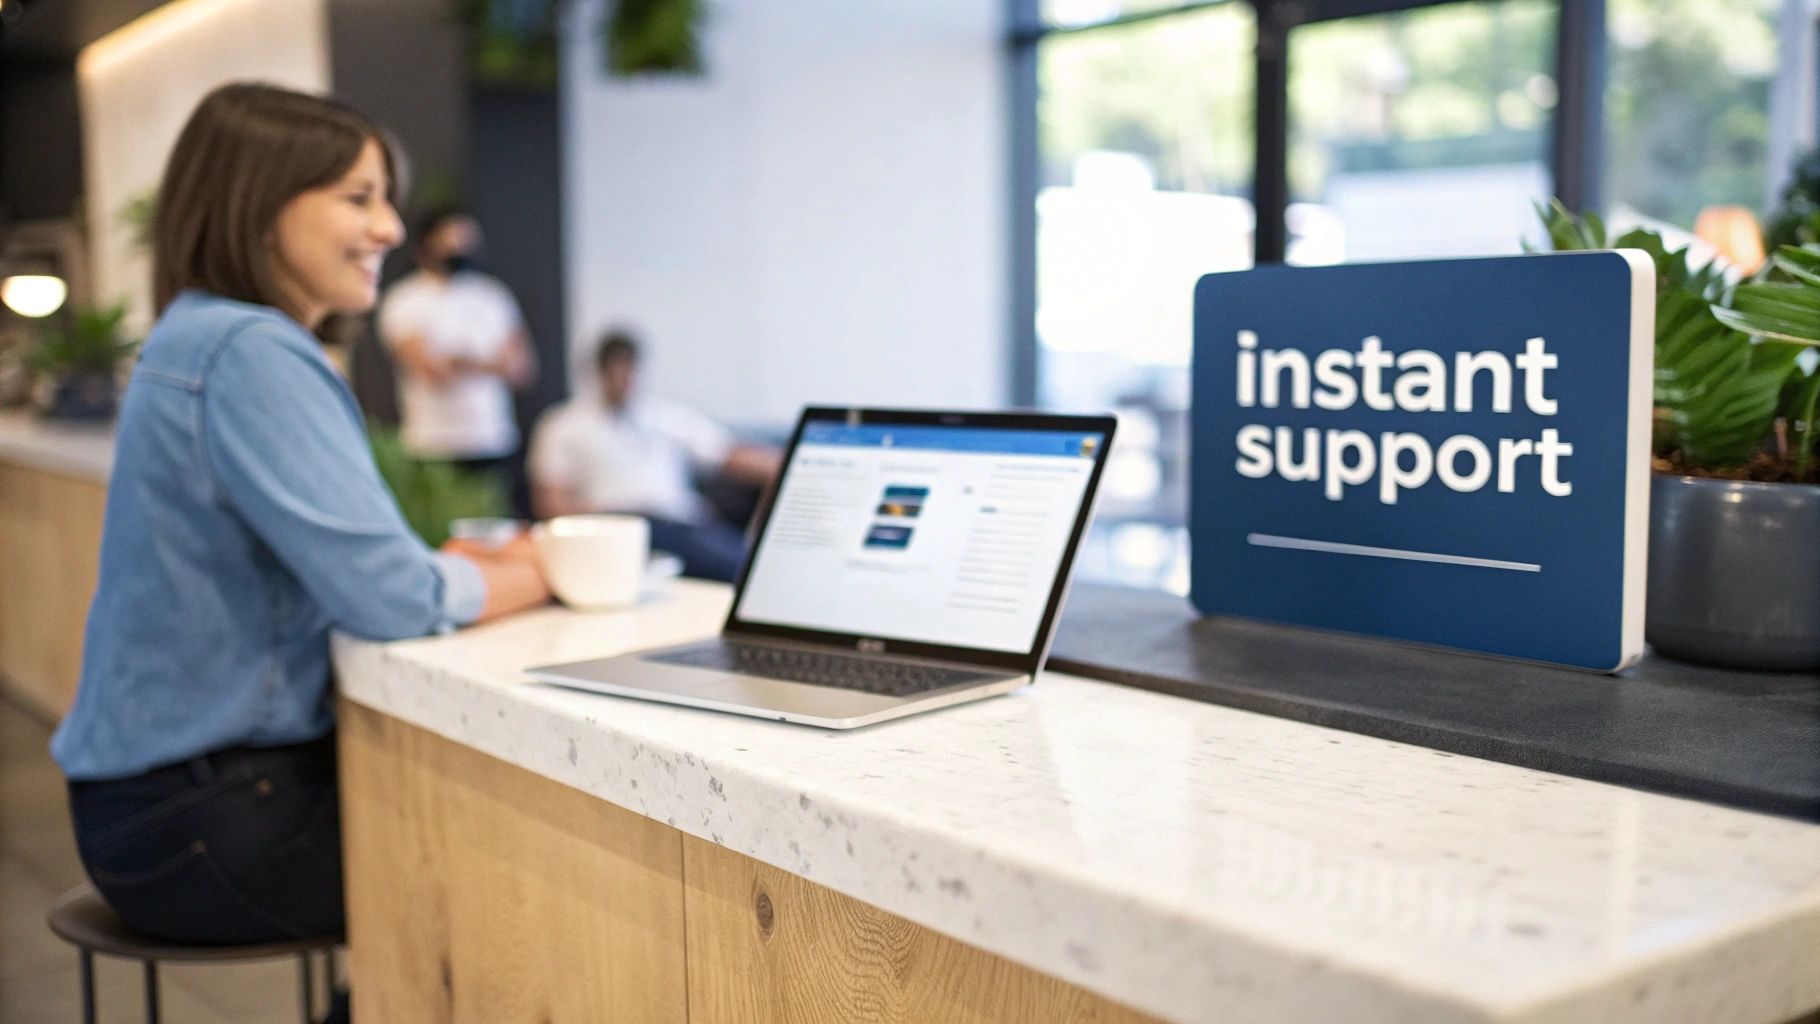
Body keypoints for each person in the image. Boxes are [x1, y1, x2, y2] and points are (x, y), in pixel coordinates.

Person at [48, 84, 549, 1019]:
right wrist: (539, 571)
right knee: (525, 878)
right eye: (357, 198)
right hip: (207, 820)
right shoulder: (251, 350)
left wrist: (472, 570)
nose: (392, 227)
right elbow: (395, 596)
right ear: (259, 205)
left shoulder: (196, 333)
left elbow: (349, 568)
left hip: (150, 811)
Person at [529, 330, 780, 581]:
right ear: (598, 371)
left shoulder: (667, 417)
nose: (623, 379)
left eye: (629, 368)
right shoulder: (563, 425)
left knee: (749, 567)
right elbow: (550, 504)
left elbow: (727, 454)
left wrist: (788, 467)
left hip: (680, 522)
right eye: (614, 368)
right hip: (614, 526)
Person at [377, 206, 535, 479]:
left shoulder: (493, 297)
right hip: (432, 445)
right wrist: (489, 363)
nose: (461, 247)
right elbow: (433, 371)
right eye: (452, 238)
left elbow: (522, 368)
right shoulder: (405, 300)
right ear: (428, 243)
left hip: (493, 441)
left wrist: (460, 360)